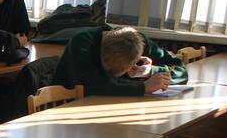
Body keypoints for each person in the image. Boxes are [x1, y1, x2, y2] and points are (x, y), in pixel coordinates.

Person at [52, 25, 188, 96]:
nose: (111, 76)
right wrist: (144, 87)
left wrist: (151, 71)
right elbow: (91, 85)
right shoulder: (82, 42)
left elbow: (181, 71)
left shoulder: (139, 42)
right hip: (70, 106)